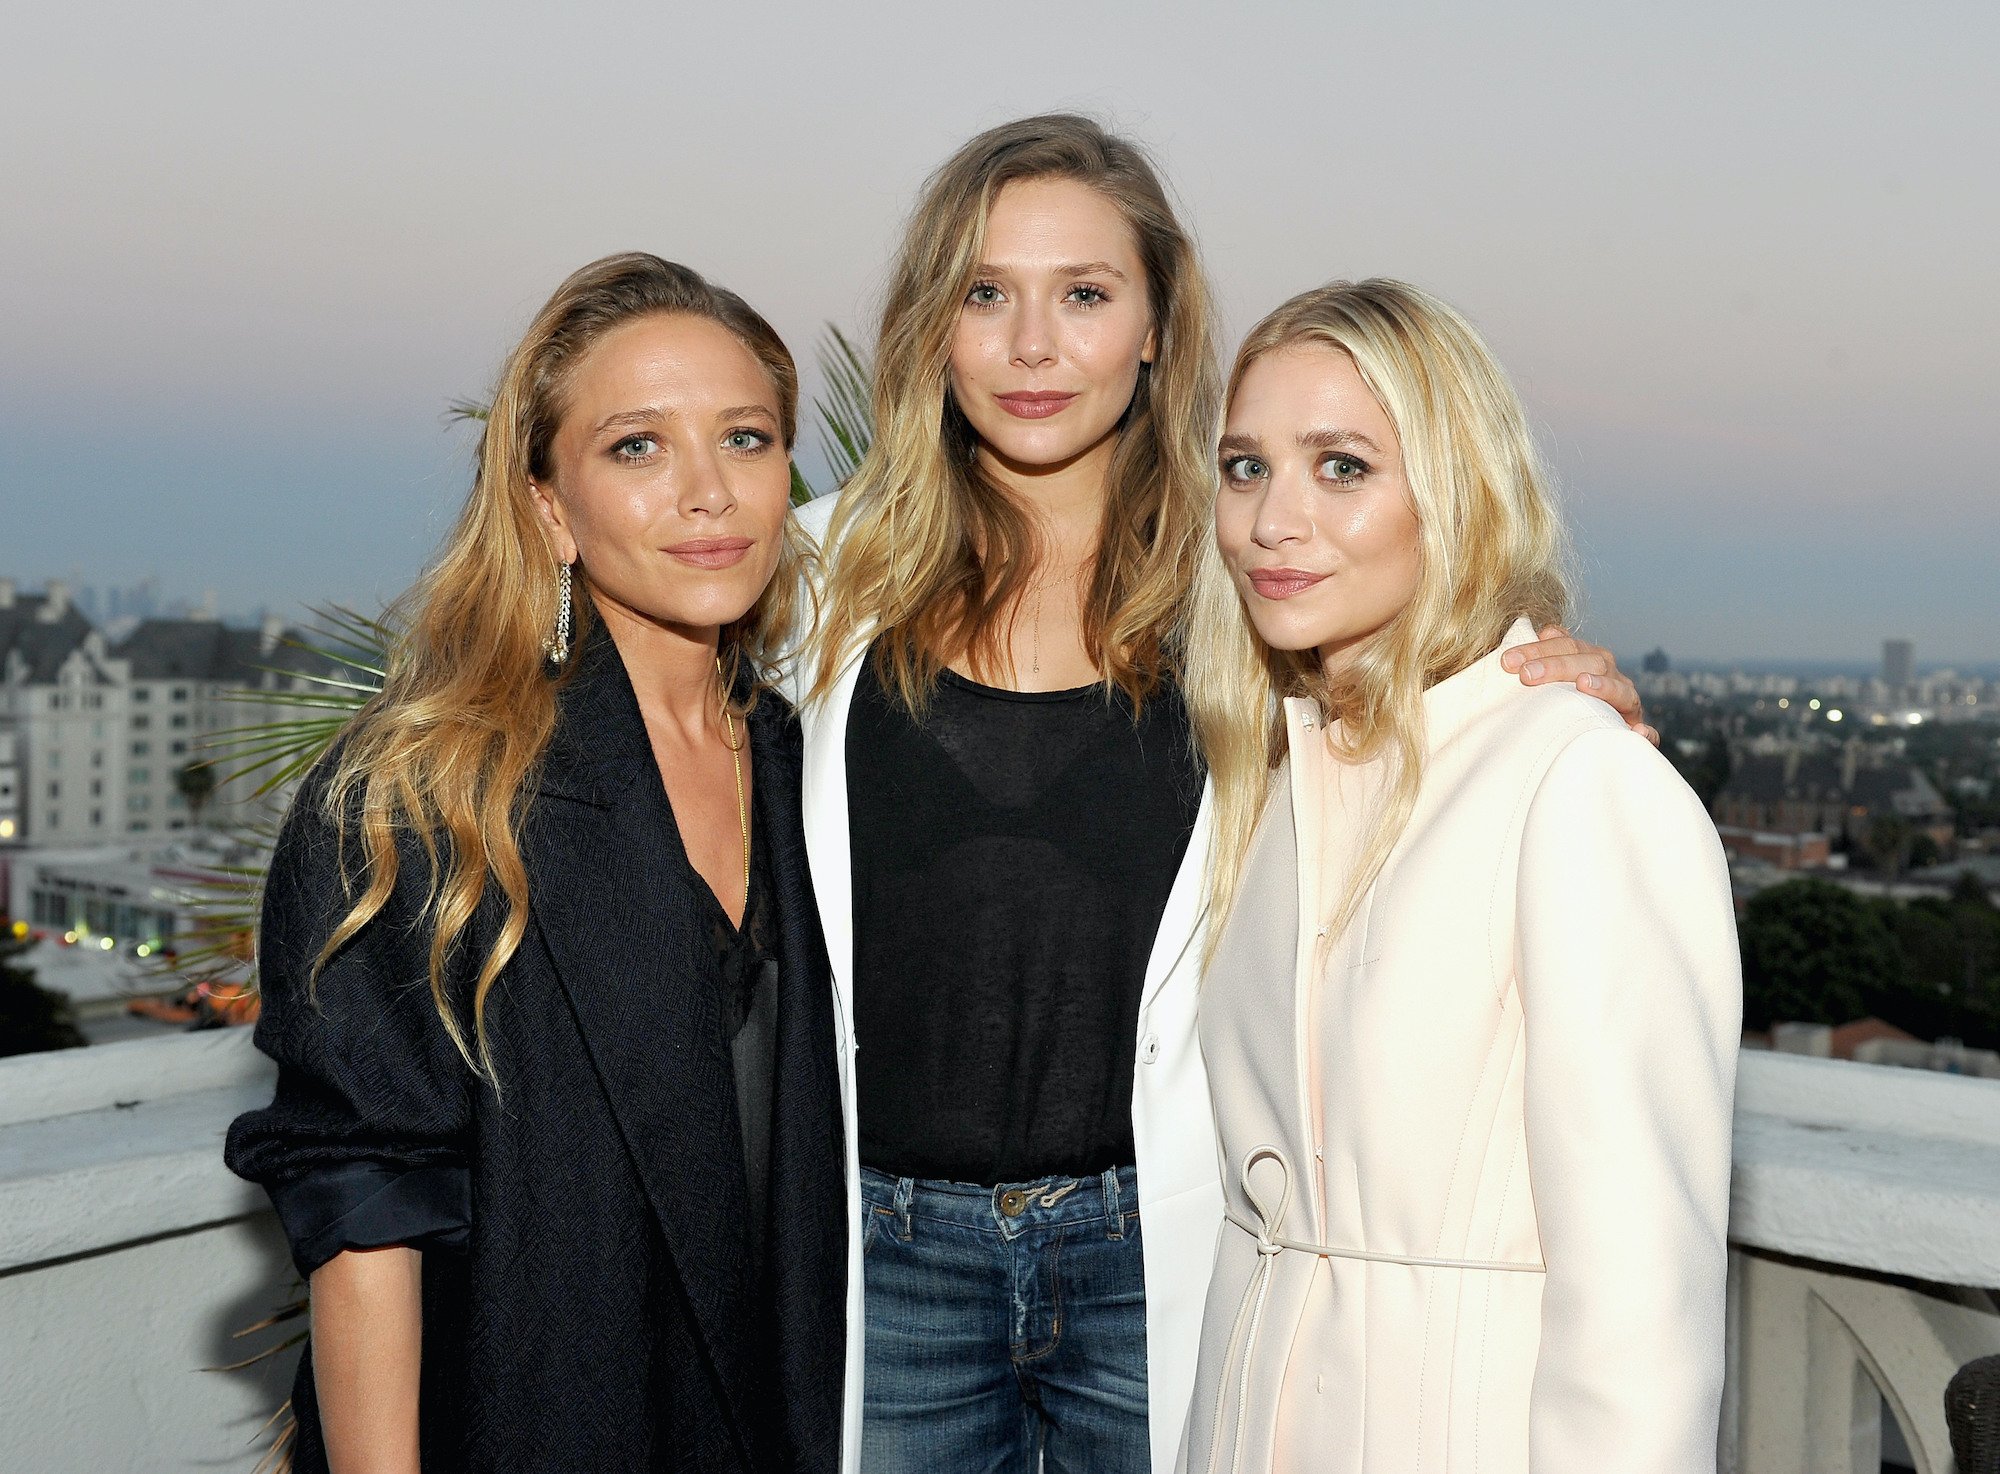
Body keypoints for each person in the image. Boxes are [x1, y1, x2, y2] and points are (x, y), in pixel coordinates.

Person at [796, 116, 1650, 1474]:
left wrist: (1548, 689)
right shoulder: (814, 580)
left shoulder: (1260, 573)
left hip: (1168, 1254)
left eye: (1083, 294)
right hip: (885, 1260)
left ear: (1154, 324)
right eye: (984, 293)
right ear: (929, 326)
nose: (1032, 346)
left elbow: (1430, 720)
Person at [226, 254, 846, 1474]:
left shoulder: (808, 768)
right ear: (550, 508)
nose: (708, 491)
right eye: (637, 448)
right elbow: (363, 1208)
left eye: (746, 437)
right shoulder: (418, 792)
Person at [1177, 279, 1740, 1474]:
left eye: (1340, 467)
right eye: (1243, 467)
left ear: (1454, 488)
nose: (1274, 519)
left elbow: (1641, 1303)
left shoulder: (1578, 784)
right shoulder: (1264, 786)